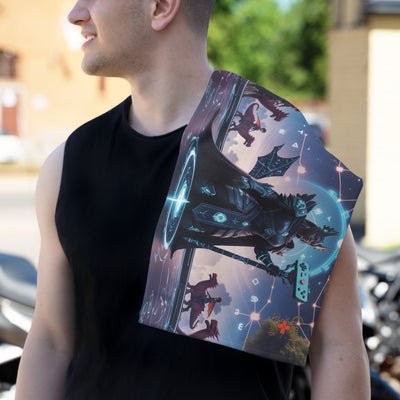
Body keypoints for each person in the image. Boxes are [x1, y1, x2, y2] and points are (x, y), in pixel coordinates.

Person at [15, 0, 370, 399]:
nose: (76, 13)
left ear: (161, 7)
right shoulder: (67, 165)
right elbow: (50, 341)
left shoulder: (287, 154)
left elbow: (335, 348)